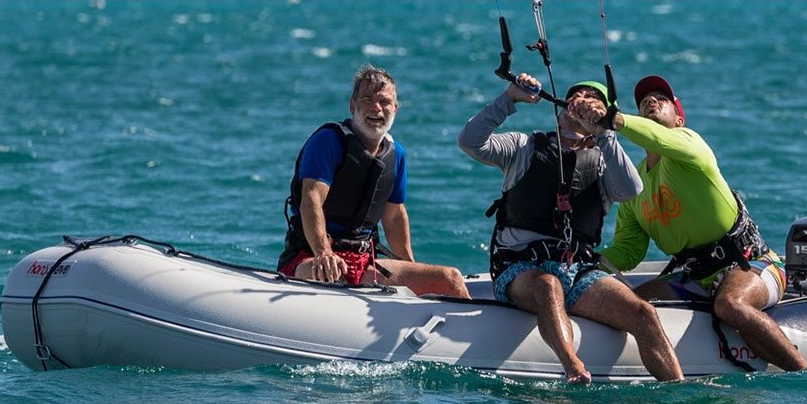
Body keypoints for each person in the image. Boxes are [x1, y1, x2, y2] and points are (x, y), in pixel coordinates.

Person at [458, 73, 684, 383]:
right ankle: (573, 367)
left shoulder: (605, 161)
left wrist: (603, 132)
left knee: (643, 313)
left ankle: (676, 389)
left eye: (593, 100)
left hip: (578, 271)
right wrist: (509, 99)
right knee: (547, 285)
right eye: (577, 96)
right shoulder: (524, 146)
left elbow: (631, 190)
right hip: (519, 268)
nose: (582, 101)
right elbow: (469, 141)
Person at [599, 74, 807, 372]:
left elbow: (658, 138)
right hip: (696, 278)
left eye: (663, 99)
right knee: (630, 305)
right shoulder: (634, 185)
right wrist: (588, 261)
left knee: (729, 305)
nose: (651, 101)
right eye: (645, 100)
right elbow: (629, 251)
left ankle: (804, 371)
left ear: (679, 119)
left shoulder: (690, 146)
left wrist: (617, 121)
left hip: (751, 265)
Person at [278, 64, 468, 298]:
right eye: (367, 99)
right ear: (352, 105)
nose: (376, 108)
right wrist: (323, 253)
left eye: (384, 102)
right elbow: (311, 200)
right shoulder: (328, 142)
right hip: (311, 257)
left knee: (450, 279)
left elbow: (394, 216)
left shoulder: (395, 154)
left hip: (365, 262)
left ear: (395, 109)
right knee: (329, 272)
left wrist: (409, 265)